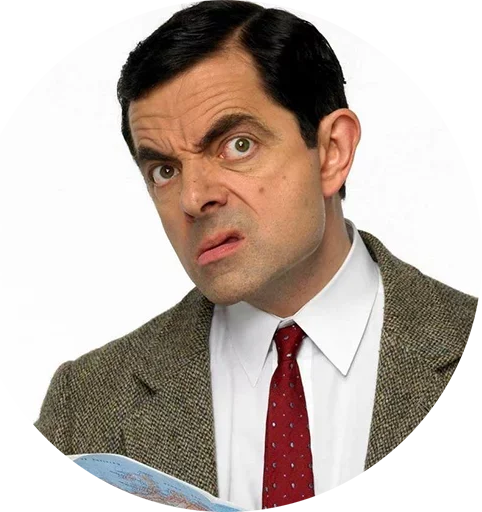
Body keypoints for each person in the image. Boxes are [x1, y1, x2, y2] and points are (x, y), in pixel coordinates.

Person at [34, 0, 481, 508]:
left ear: (332, 151)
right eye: (164, 170)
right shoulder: (85, 405)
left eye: (237, 145)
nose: (193, 197)